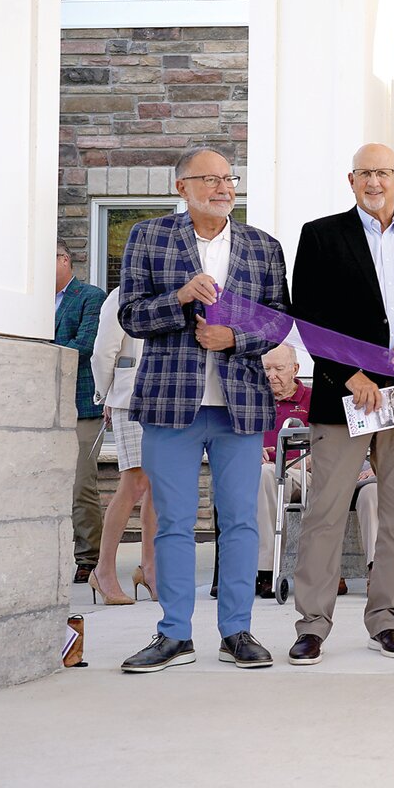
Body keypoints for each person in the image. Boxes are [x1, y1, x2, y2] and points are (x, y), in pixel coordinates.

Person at [117, 146, 290, 674]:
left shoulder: (263, 246)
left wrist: (233, 337)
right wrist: (179, 298)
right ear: (181, 187)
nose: (222, 187)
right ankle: (174, 634)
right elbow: (130, 315)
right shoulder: (148, 238)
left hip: (241, 405)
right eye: (209, 179)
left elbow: (279, 322)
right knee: (172, 522)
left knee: (241, 522)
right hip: (171, 404)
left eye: (228, 178)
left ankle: (237, 629)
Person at [286, 143, 394, 665]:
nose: (374, 181)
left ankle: (386, 618)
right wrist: (347, 374)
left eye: (383, 172)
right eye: (365, 173)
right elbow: (307, 315)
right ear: (350, 180)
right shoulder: (320, 235)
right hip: (345, 398)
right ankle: (312, 623)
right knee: (326, 513)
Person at [255, 343, 380, 601]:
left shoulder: (315, 398)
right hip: (277, 474)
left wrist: (312, 459)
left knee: (356, 490)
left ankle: (373, 571)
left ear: (296, 369)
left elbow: (336, 441)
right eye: (266, 369)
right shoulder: (255, 401)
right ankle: (267, 571)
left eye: (278, 368)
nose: (271, 375)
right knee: (265, 475)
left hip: (314, 468)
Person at [89, 286, 158, 605]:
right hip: (130, 398)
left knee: (158, 487)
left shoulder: (172, 287)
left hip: (167, 400)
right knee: (134, 483)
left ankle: (150, 568)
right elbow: (104, 351)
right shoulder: (121, 294)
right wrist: (104, 394)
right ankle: (103, 571)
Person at [54, 239, 107, 584]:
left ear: (64, 260)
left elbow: (84, 347)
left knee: (79, 483)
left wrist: (35, 353)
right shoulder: (29, 303)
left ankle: (88, 557)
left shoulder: (91, 297)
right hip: (39, 406)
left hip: (81, 405)